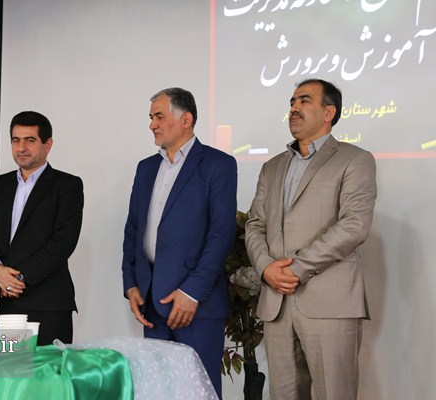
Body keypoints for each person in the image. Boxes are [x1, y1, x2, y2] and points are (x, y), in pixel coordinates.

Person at [245, 79, 377, 400]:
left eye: (304, 101)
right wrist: (265, 268)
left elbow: (354, 225)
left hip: (330, 302)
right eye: (292, 102)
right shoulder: (272, 167)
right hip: (277, 303)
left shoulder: (354, 159)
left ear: (329, 112)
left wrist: (295, 269)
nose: (294, 108)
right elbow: (255, 224)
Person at [122, 87, 237, 398]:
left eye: (159, 117)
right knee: (158, 391)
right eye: (151, 117)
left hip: (197, 307)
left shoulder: (218, 164)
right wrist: (131, 284)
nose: (152, 124)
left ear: (186, 119)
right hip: (151, 304)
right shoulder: (146, 168)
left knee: (200, 391)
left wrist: (192, 293)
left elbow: (221, 233)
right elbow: (133, 230)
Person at [0, 111, 84, 346]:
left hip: (47, 303)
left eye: (30, 140)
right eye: (16, 140)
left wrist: (18, 279)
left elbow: (63, 242)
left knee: (48, 369)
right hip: (1, 302)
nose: (21, 147)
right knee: (3, 369)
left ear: (47, 144)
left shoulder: (67, 185)